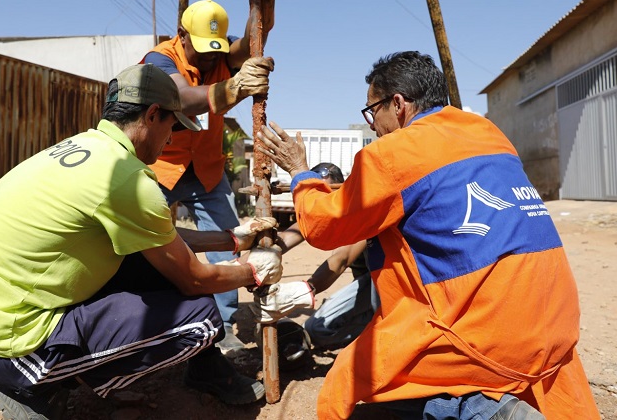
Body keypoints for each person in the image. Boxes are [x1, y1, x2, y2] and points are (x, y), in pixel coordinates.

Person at [257, 51, 599, 420]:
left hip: (486, 328)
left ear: (398, 104)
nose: (373, 126)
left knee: (349, 378)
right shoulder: (488, 132)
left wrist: (300, 173)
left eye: (373, 111)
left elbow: (325, 226)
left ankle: (478, 409)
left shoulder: (395, 153)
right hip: (556, 318)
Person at [0, 64, 283, 419]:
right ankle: (47, 385)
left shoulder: (84, 149)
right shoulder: (129, 179)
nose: (172, 138)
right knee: (202, 318)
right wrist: (254, 273)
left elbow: (155, 237)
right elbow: (195, 279)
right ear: (153, 115)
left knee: (147, 261)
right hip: (15, 350)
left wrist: (231, 240)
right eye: (173, 126)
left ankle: (61, 370)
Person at [141, 0, 276, 353]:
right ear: (181, 35)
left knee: (231, 239)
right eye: (200, 45)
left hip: (208, 171)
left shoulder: (218, 52)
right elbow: (183, 98)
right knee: (145, 240)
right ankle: (151, 313)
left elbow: (257, 34)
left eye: (215, 46)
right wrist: (235, 87)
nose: (210, 53)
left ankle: (225, 325)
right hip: (161, 169)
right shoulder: (159, 59)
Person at [272, 163, 379, 350]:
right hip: (366, 283)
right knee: (317, 329)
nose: (320, 204)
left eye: (325, 197)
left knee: (383, 317)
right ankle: (368, 328)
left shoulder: (360, 213)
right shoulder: (317, 213)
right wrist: (245, 264)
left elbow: (341, 260)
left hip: (385, 281)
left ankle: (377, 334)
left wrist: (303, 291)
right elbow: (285, 240)